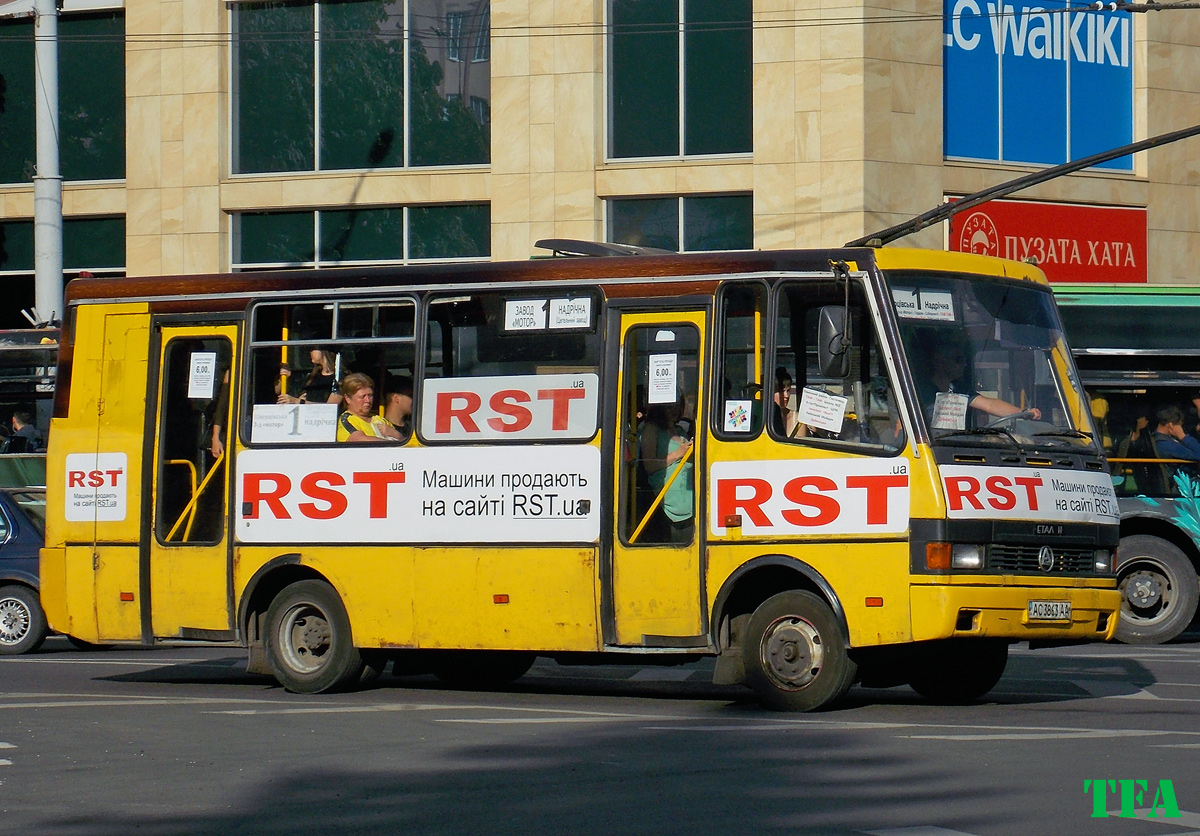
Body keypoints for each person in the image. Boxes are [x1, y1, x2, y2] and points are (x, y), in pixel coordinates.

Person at [915, 334, 1040, 430]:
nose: (964, 364)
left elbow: (989, 405)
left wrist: (1022, 413)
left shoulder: (959, 389)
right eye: (958, 360)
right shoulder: (921, 391)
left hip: (953, 443)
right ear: (939, 362)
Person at [639, 398, 693, 542]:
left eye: (677, 406)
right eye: (669, 407)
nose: (674, 410)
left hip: (690, 496)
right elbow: (649, 465)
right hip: (669, 502)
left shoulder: (680, 430)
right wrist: (679, 454)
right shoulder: (651, 429)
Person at [337, 373, 403, 443]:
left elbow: (404, 443)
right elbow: (359, 440)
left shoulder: (379, 419)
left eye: (370, 395)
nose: (367, 400)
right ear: (348, 399)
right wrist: (391, 443)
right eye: (362, 396)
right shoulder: (346, 420)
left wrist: (397, 435)